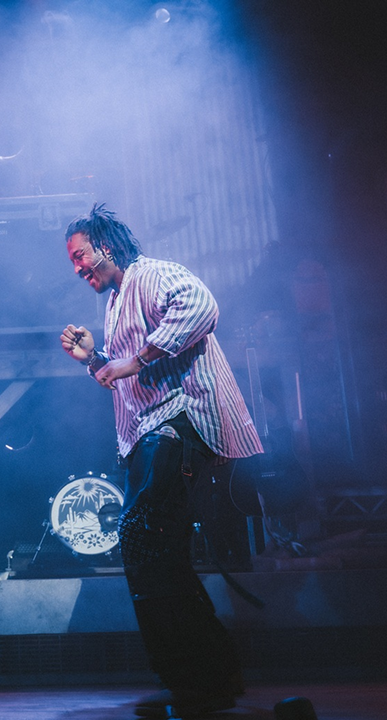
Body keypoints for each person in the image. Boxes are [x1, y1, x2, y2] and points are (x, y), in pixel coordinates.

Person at [59, 204, 263, 719]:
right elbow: (124, 377)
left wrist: (134, 360)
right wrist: (96, 360)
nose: (78, 268)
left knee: (144, 539)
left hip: (177, 423)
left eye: (81, 255)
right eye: (74, 262)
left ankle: (202, 680)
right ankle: (206, 676)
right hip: (151, 433)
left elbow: (200, 305)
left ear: (106, 245)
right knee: (157, 553)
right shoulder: (115, 302)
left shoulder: (152, 274)